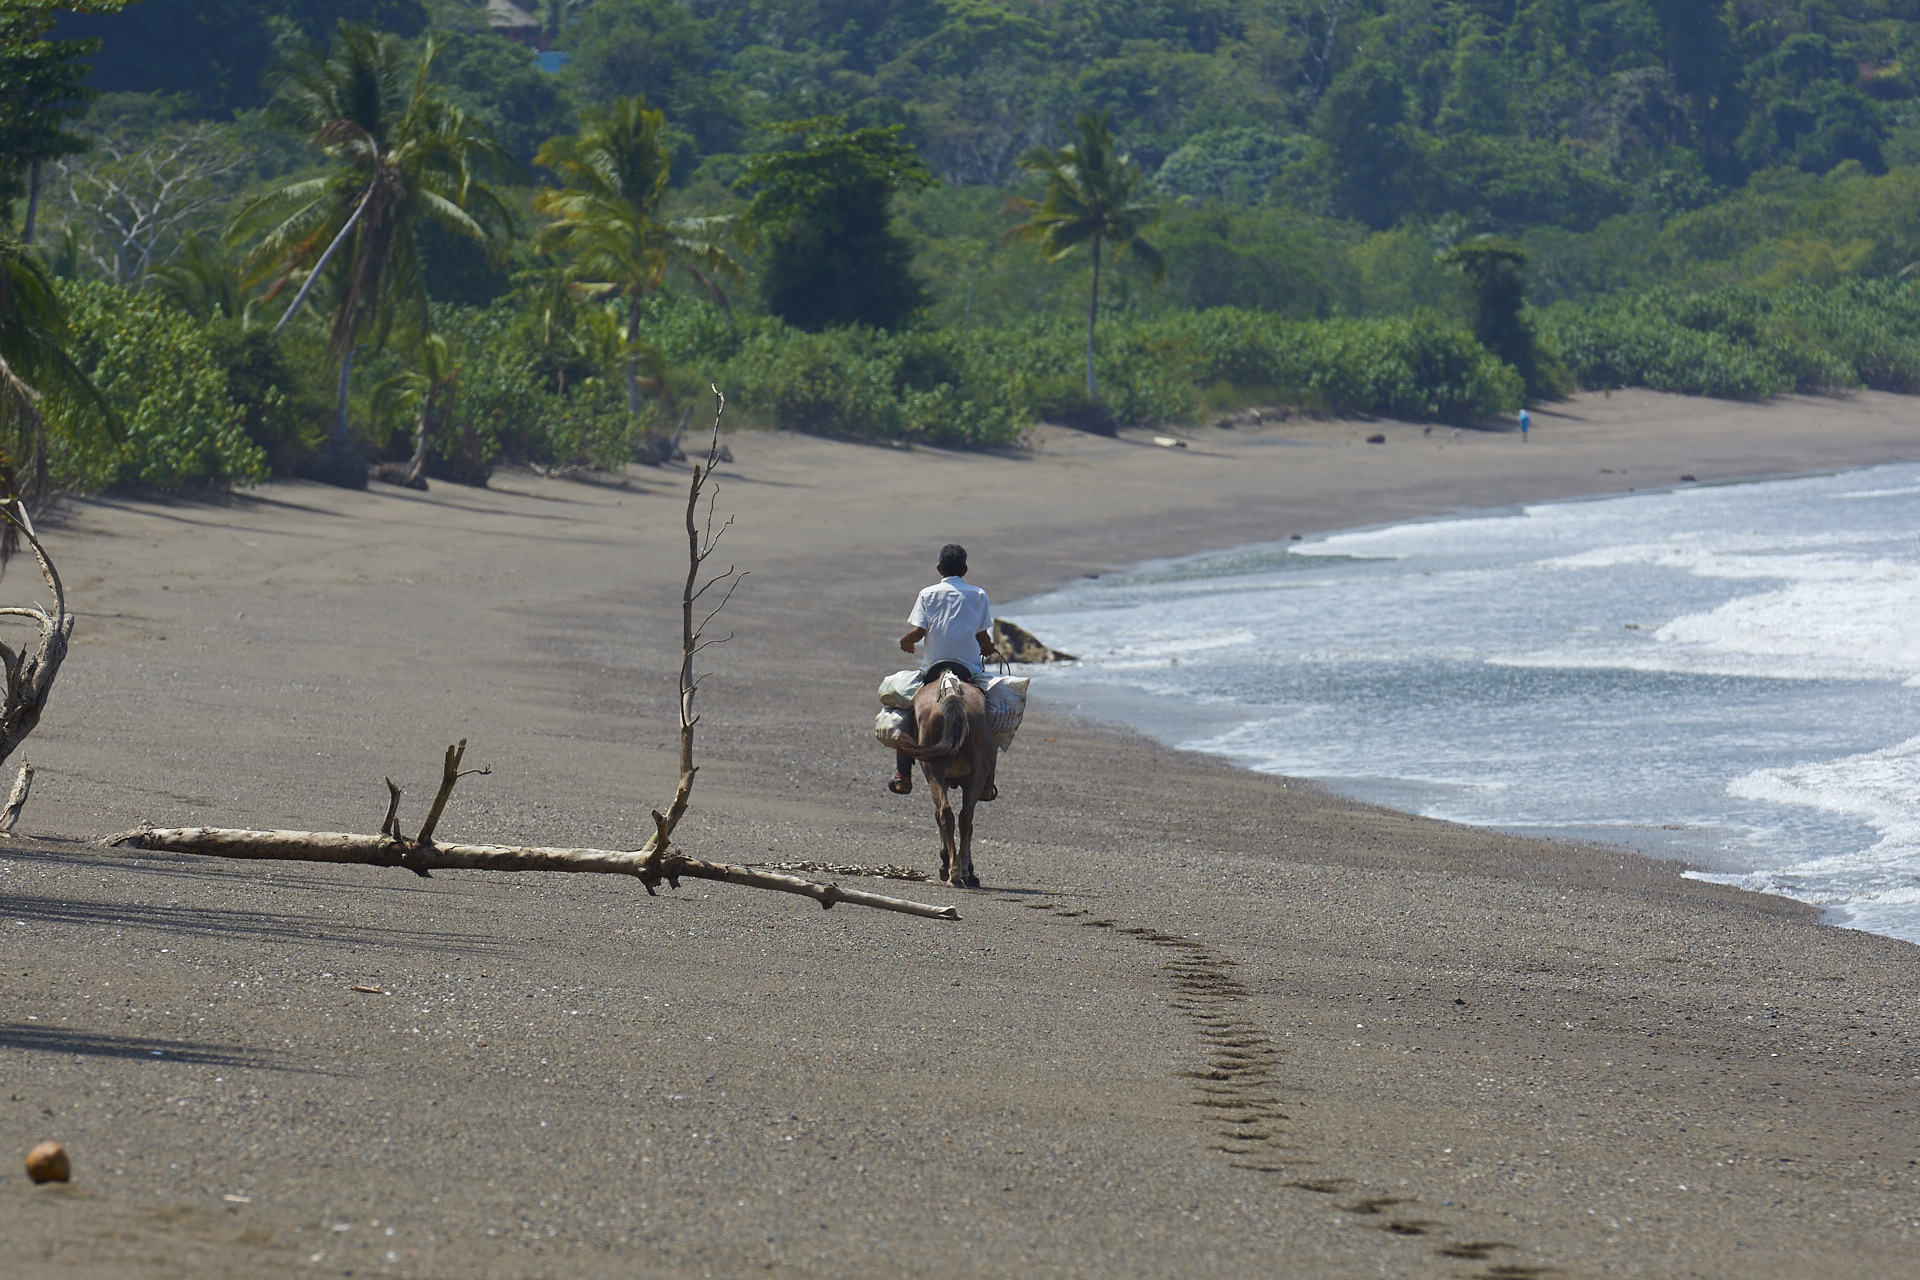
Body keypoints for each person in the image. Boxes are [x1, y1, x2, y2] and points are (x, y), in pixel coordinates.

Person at [889, 543, 998, 797]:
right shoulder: (979, 595)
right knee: (990, 714)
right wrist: (989, 648)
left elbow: (918, 632)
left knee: (904, 709)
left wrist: (906, 642)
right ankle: (986, 782)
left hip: (933, 670)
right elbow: (983, 639)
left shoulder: (927, 594)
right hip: (967, 671)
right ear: (965, 569)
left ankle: (903, 775)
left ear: (939, 569)